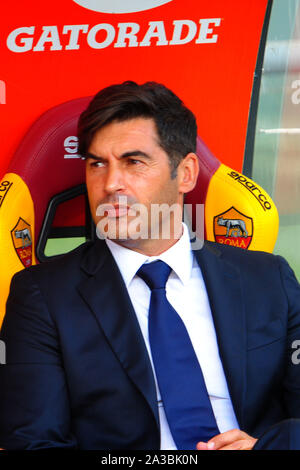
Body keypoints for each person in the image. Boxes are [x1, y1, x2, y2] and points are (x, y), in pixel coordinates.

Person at [0, 81, 300, 451]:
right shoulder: (41, 294)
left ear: (186, 173)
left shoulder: (268, 279)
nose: (110, 184)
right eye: (97, 164)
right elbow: (33, 442)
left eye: (134, 162)